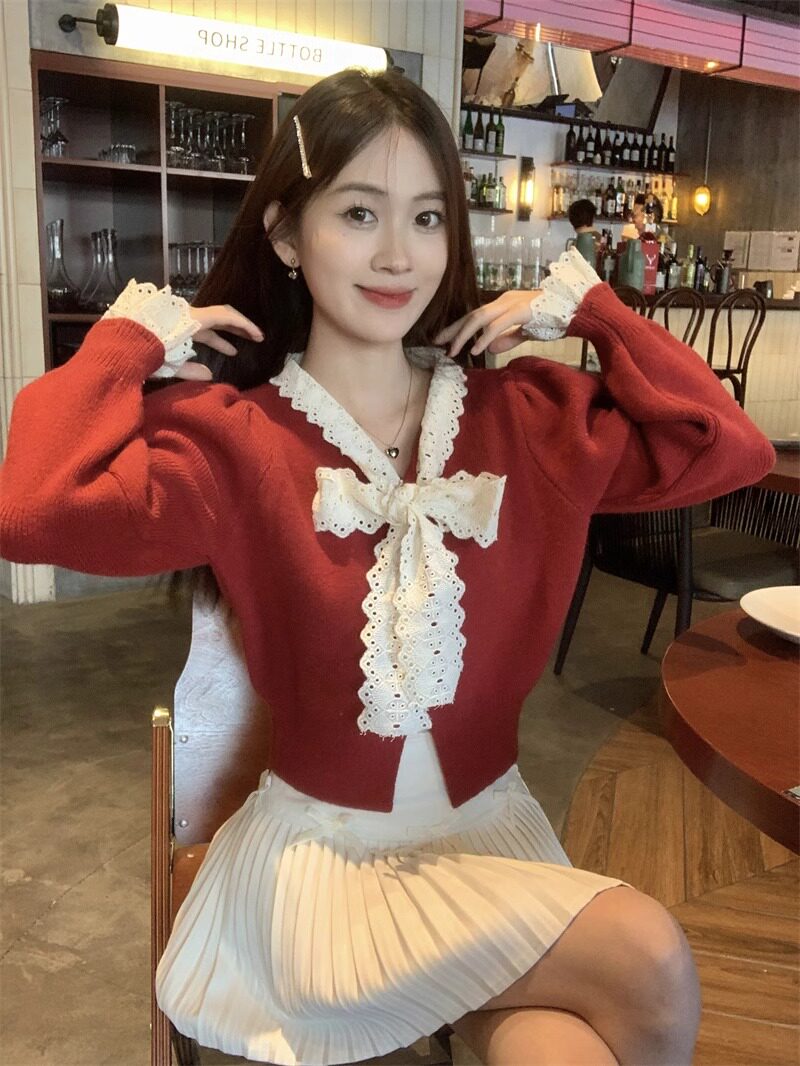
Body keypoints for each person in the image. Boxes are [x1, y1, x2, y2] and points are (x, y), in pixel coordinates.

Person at [0, 67, 775, 1066]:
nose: (398, 254)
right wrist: (128, 343)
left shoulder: (525, 416)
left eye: (427, 217)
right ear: (286, 234)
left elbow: (729, 449)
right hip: (324, 871)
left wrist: (591, 311)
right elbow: (29, 511)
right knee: (648, 955)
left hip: (488, 841)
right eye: (359, 213)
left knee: (557, 1045)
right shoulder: (231, 439)